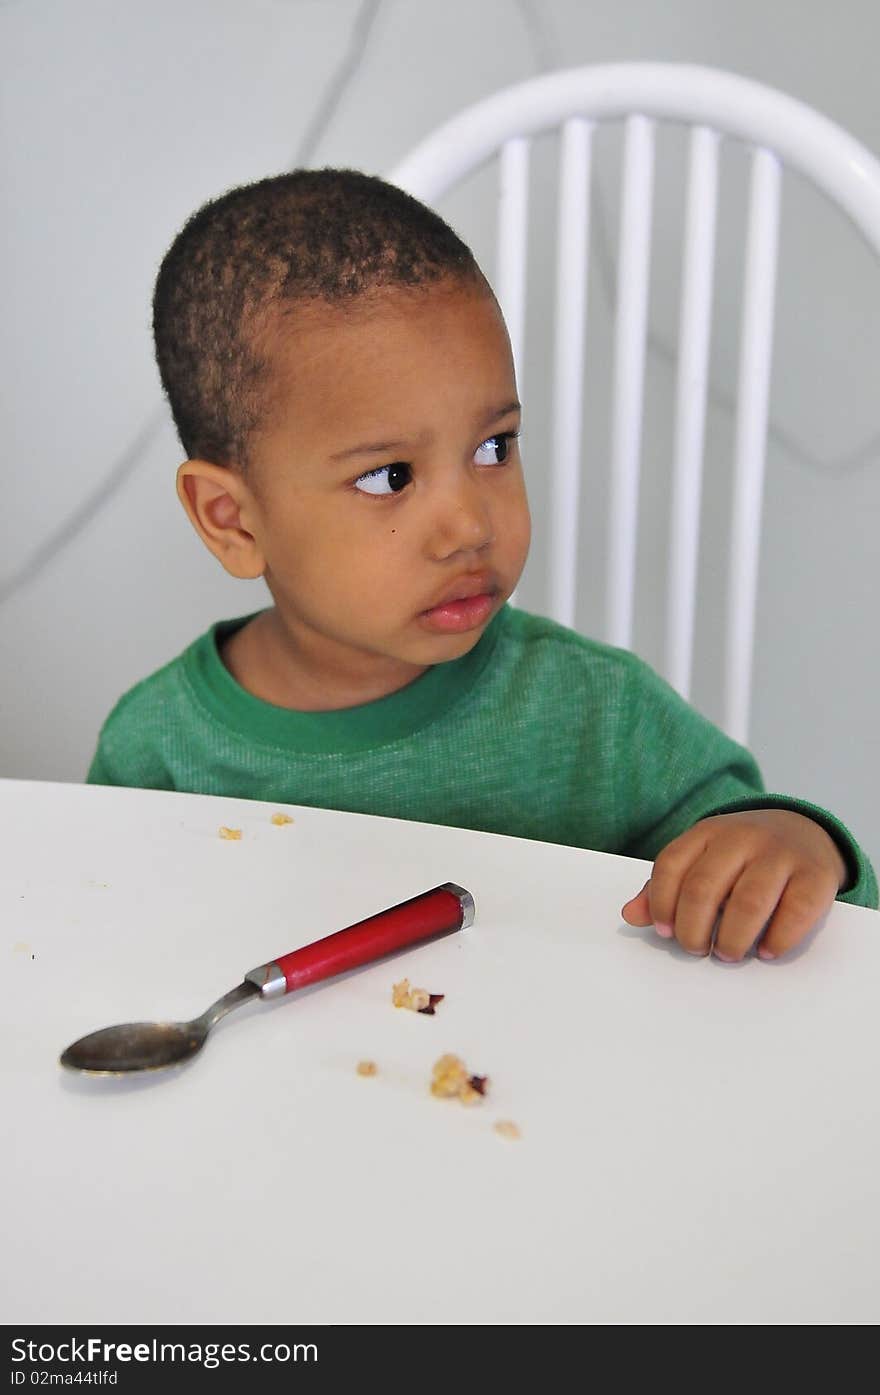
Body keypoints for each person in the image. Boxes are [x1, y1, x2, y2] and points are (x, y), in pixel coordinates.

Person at [88, 168, 877, 962]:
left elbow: (803, 901)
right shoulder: (157, 753)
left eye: (493, 446)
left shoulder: (596, 717)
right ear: (233, 520)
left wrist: (791, 842)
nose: (470, 524)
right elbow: (98, 949)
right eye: (389, 476)